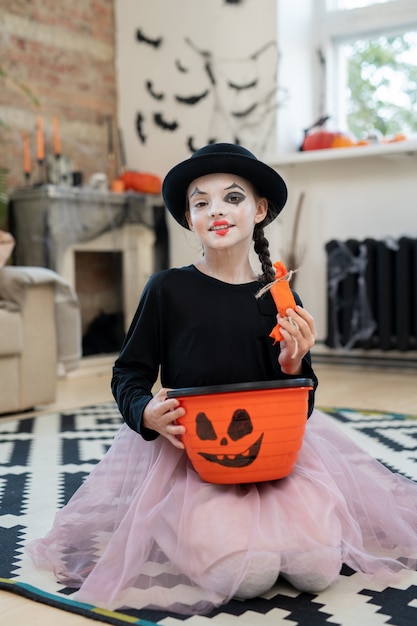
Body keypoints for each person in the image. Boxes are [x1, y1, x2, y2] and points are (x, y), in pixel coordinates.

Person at [27, 143, 417, 617]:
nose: (216, 211)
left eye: (232, 198)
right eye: (201, 201)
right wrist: (145, 412)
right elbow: (128, 372)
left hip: (271, 455)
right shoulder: (167, 289)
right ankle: (175, 519)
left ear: (259, 209)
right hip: (195, 457)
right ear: (189, 218)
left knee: (317, 569)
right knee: (248, 576)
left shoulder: (277, 294)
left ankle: (259, 525)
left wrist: (295, 363)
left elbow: (303, 401)